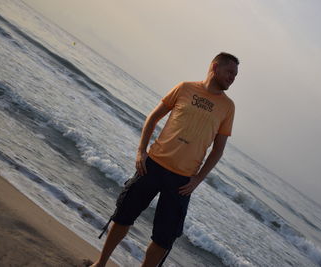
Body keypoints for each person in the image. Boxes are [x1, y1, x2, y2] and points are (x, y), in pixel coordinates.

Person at [90, 52, 239, 267]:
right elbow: (153, 117)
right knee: (123, 215)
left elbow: (218, 150)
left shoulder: (228, 107)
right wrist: (141, 151)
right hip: (152, 165)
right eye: (230, 72)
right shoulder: (185, 88)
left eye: (235, 75)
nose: (233, 78)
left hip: (182, 181)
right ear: (215, 68)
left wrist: (197, 180)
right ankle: (100, 263)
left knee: (164, 238)